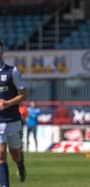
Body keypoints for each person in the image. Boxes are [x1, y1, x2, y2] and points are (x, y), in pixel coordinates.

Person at [0, 41, 27, 187]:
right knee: (1, 155)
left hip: (12, 119)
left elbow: (24, 94)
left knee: (15, 154)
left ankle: (20, 165)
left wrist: (7, 103)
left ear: (2, 52)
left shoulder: (12, 71)